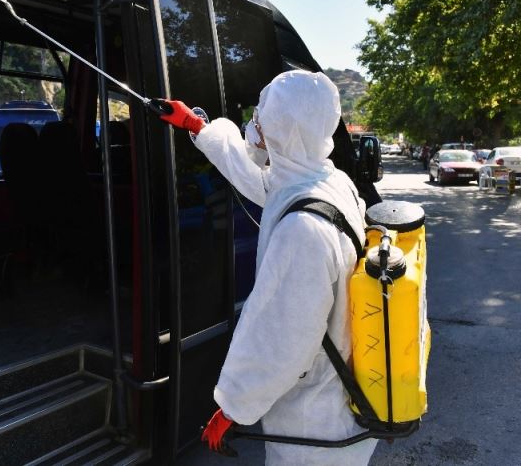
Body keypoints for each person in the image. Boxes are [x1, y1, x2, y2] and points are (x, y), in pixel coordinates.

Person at [159, 70, 376, 465]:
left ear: (283, 130)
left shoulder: (302, 231)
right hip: (338, 405)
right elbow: (259, 180)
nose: (253, 127)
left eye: (260, 119)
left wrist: (233, 409)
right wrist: (199, 128)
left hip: (315, 430)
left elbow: (281, 340)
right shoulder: (327, 182)